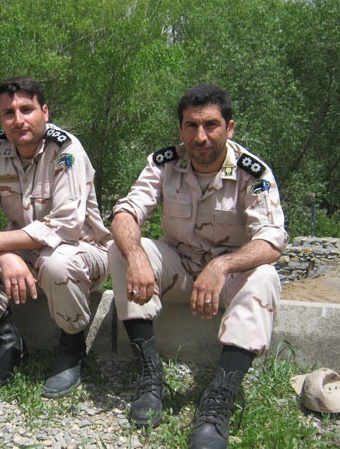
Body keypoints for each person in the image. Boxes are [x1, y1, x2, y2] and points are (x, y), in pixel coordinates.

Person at [108, 84, 287, 448]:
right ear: (181, 129)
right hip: (179, 270)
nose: (200, 136)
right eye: (191, 126)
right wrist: (137, 256)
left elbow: (271, 241)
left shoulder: (253, 173)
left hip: (226, 281)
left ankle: (219, 398)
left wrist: (222, 266)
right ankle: (150, 377)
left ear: (230, 128)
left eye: (211, 125)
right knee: (121, 248)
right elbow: (126, 211)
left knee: (266, 276)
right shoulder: (164, 163)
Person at [0, 76, 111, 398]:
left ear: (45, 112)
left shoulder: (66, 151)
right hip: (24, 250)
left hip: (83, 251)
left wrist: (0, 243)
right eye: (8, 112)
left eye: (27, 109)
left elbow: (67, 223)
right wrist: (3, 254)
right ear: (1, 119)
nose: (18, 120)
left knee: (57, 262)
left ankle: (72, 348)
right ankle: (9, 340)